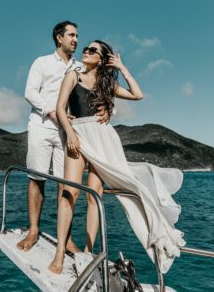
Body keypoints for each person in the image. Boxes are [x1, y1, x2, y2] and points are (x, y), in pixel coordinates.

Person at [48, 40, 185, 274]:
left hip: (103, 140)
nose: (86, 51)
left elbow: (138, 94)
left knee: (95, 197)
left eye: (92, 50)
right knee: (69, 193)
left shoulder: (107, 84)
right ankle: (60, 251)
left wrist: (121, 67)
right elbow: (60, 108)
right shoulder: (73, 75)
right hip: (78, 135)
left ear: (102, 59)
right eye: (86, 48)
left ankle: (88, 252)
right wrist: (69, 133)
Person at [17, 22, 109, 252]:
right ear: (59, 38)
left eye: (77, 36)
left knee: (66, 185)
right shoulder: (42, 62)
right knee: (37, 177)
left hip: (70, 133)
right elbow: (29, 92)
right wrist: (52, 111)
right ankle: (34, 230)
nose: (76, 40)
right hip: (42, 125)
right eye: (71, 35)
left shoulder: (81, 67)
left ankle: (65, 239)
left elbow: (96, 90)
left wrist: (107, 110)